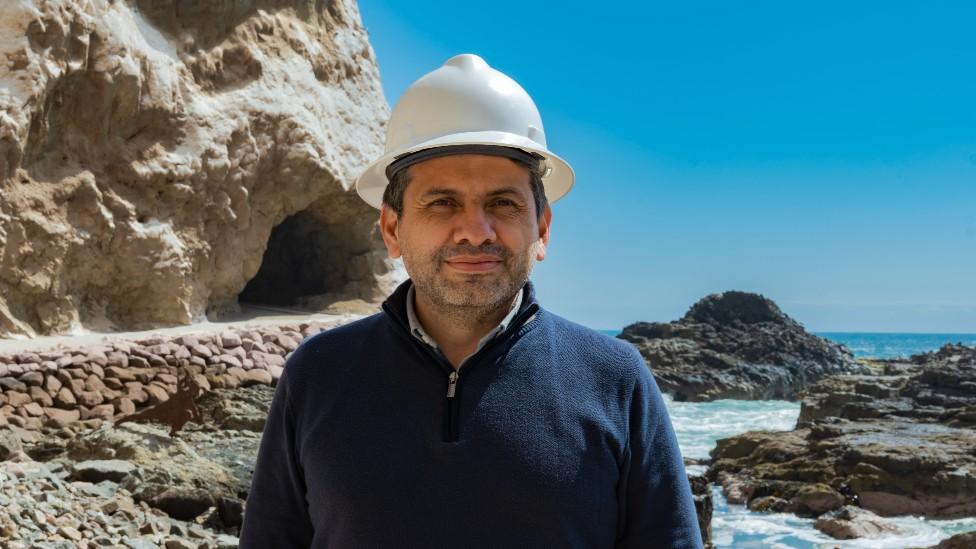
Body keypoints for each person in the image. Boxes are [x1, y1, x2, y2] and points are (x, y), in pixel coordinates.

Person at [240, 53, 702, 548]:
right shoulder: (318, 375)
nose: (475, 232)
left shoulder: (616, 380)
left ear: (541, 230)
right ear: (392, 229)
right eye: (442, 203)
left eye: (503, 204)